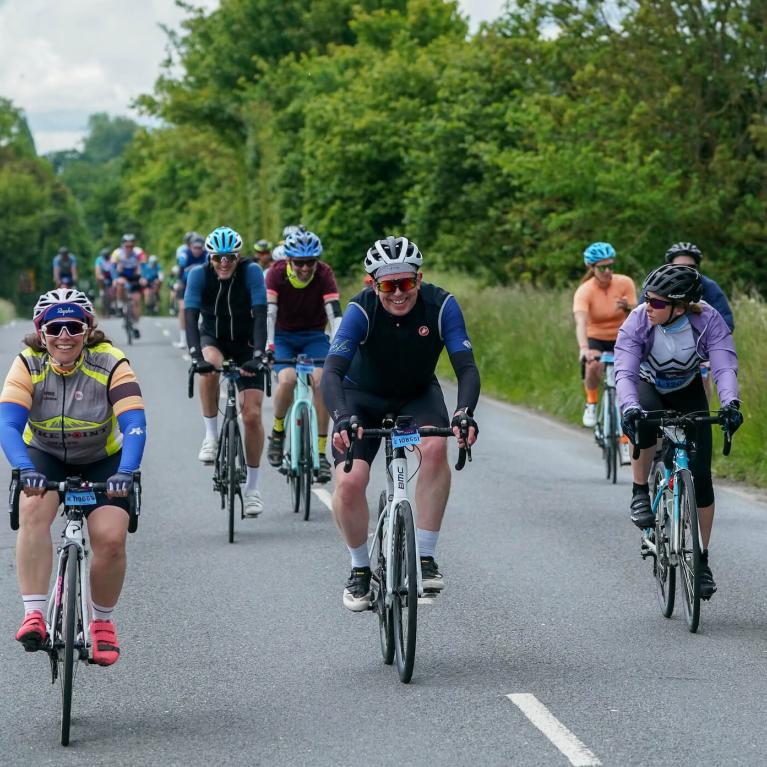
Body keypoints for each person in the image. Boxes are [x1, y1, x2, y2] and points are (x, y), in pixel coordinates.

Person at [320, 235, 480, 611]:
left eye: (405, 283)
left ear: (419, 280)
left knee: (435, 446)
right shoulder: (360, 311)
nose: (398, 293)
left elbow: (466, 367)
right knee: (349, 483)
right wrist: (342, 417)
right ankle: (360, 569)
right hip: (361, 397)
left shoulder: (442, 306)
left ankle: (424, 557)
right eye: (388, 285)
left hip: (416, 393)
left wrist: (463, 413)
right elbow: (331, 372)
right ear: (373, 285)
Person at [0, 288, 146, 665]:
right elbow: (8, 424)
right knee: (32, 510)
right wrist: (25, 469)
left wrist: (126, 472)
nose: (64, 335)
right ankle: (34, 614)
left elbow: (134, 424)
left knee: (111, 539)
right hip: (45, 457)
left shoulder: (111, 361)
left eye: (74, 327)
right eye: (55, 327)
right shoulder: (28, 363)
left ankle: (102, 624)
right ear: (41, 331)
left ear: (88, 329)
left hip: (104, 459)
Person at [615, 264, 742, 600]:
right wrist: (629, 408)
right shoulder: (639, 320)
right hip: (646, 384)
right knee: (643, 423)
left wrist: (731, 404)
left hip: (687, 388)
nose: (648, 306)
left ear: (681, 306)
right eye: (647, 299)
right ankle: (640, 490)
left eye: (657, 302)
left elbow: (724, 364)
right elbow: (625, 372)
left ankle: (701, 559)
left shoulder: (707, 320)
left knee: (702, 476)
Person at [184, 226, 269, 517]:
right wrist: (195, 357)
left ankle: (254, 489)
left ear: (238, 256)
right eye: (218, 257)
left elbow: (260, 315)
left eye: (230, 258)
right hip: (213, 338)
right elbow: (191, 316)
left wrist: (258, 355)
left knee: (253, 415)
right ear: (209, 257)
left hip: (246, 344)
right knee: (208, 368)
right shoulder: (198, 275)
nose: (224, 263)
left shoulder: (252, 272)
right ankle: (211, 435)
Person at [265, 230, 342, 483]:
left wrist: (341, 347)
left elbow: (334, 314)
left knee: (321, 382)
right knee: (287, 380)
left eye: (311, 262)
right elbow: (270, 314)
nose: (306, 268)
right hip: (283, 336)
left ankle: (320, 453)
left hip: (314, 336)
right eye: (299, 262)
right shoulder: (276, 274)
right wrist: (269, 345)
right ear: (289, 261)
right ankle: (277, 433)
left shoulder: (324, 273)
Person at [572, 242, 637, 428]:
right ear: (591, 268)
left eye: (611, 266)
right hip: (596, 338)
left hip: (621, 336)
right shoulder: (585, 291)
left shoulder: (625, 283)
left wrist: (627, 307)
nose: (608, 271)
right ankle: (591, 403)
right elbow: (581, 322)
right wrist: (584, 349)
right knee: (593, 365)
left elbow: (638, 315)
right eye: (602, 267)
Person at [174, 234, 207, 348]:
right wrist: (178, 282)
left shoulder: (206, 255)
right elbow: (180, 270)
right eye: (194, 248)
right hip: (185, 284)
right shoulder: (185, 255)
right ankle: (183, 339)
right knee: (183, 310)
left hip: (201, 285)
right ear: (190, 247)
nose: (197, 250)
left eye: (199, 248)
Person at [111, 234, 146, 338]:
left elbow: (143, 266)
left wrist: (143, 277)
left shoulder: (139, 252)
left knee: (136, 301)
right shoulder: (117, 253)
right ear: (123, 245)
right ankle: (120, 304)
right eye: (127, 246)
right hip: (122, 275)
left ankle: (135, 324)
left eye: (131, 246)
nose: (129, 248)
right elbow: (112, 267)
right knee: (120, 283)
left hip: (135, 277)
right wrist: (115, 279)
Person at [94, 247, 115, 316]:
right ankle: (102, 291)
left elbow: (114, 270)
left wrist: (114, 278)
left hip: (110, 275)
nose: (106, 258)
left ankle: (113, 304)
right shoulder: (99, 259)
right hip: (102, 275)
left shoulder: (112, 259)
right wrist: (99, 276)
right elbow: (97, 270)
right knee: (99, 279)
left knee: (112, 289)